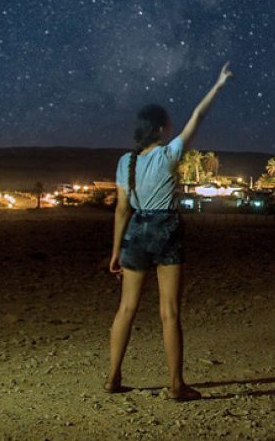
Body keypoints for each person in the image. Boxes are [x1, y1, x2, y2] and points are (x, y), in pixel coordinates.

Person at [105, 61, 233, 400]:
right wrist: (218, 85)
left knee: (126, 309)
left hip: (135, 230)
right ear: (160, 129)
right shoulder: (169, 154)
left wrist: (116, 250)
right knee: (169, 311)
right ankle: (176, 385)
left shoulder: (125, 162)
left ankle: (113, 378)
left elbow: (121, 209)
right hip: (166, 228)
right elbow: (198, 116)